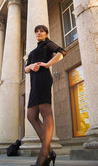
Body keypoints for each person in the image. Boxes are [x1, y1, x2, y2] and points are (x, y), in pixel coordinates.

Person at [25, 25, 66, 166]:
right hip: (34, 83)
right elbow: (26, 69)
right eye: (36, 31)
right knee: (31, 115)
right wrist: (31, 67)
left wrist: (47, 64)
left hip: (43, 80)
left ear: (46, 33)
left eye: (41, 31)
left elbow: (61, 52)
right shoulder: (32, 52)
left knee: (45, 112)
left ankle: (44, 154)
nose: (39, 33)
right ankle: (49, 150)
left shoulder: (47, 44)